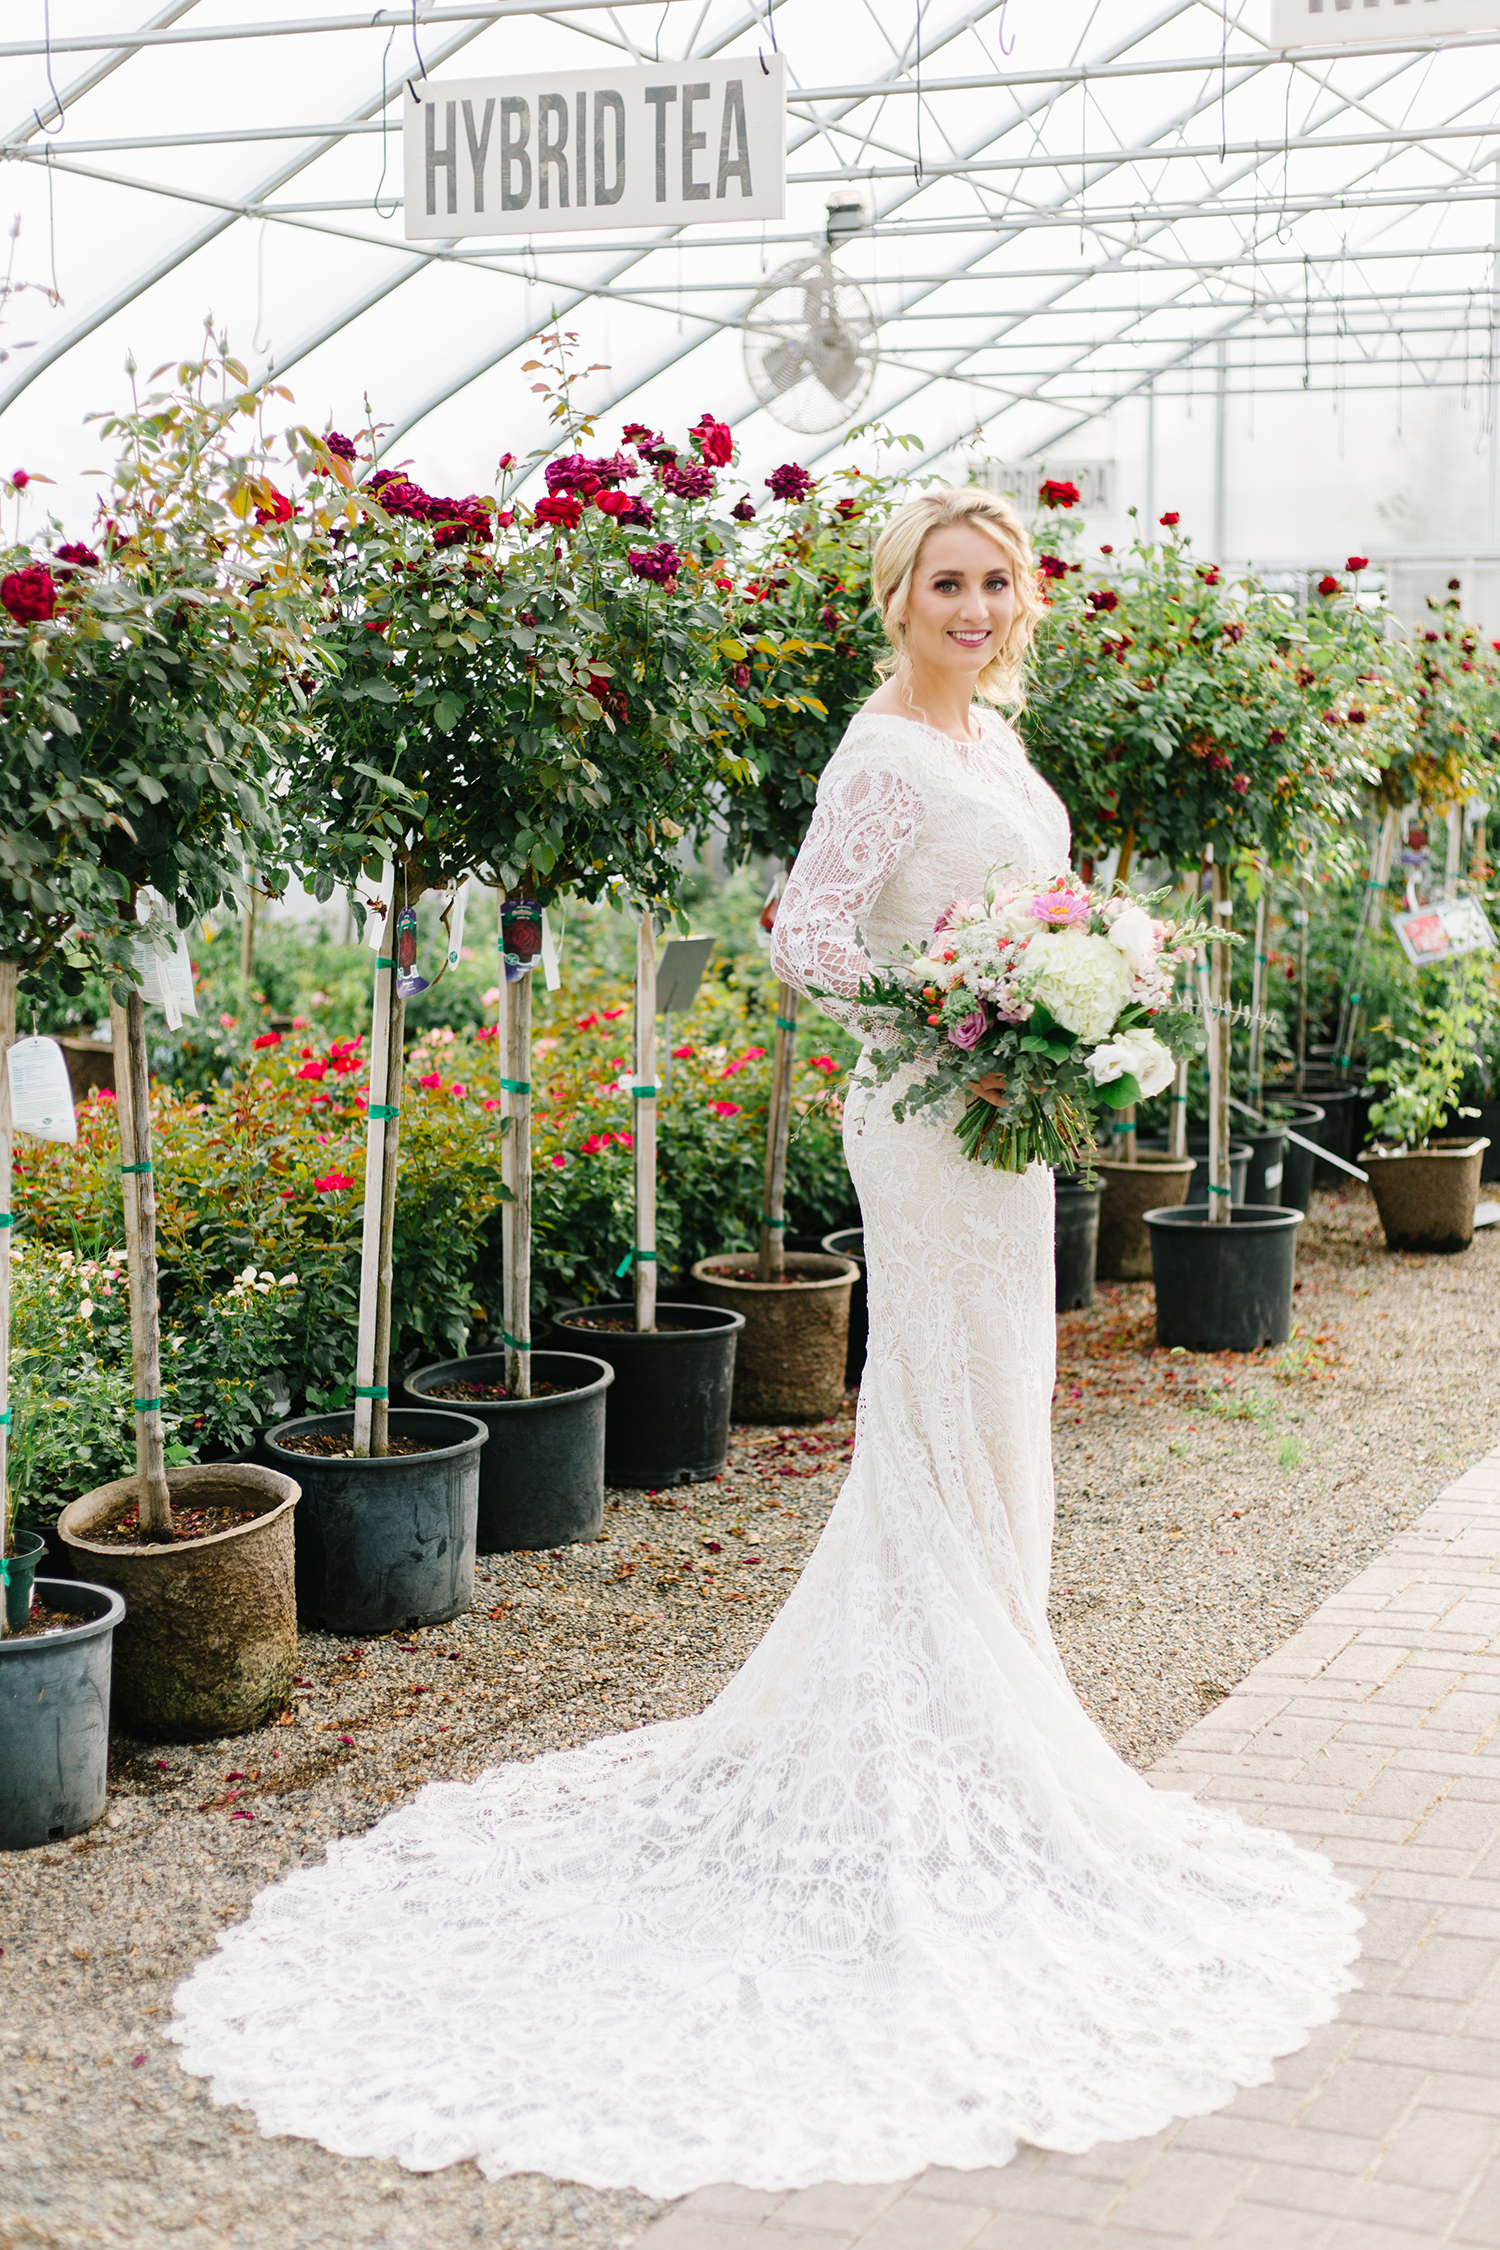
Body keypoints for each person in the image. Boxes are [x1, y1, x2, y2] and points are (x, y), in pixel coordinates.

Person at [171, 488, 1359, 2195]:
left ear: (1025, 600)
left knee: (1006, 1400)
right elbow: (808, 932)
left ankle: (1001, 1706)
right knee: (938, 1405)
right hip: (931, 1113)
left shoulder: (1005, 743)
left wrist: (1073, 982)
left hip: (1005, 1126)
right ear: (901, 599)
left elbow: (1044, 908)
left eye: (995, 581)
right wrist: (953, 1007)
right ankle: (947, 1728)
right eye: (945, 581)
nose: (973, 602)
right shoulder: (879, 754)